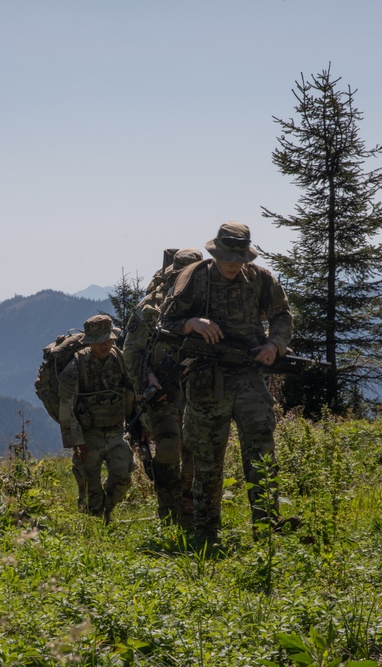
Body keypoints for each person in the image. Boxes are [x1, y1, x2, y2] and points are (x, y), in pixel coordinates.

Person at [159, 222, 296, 547]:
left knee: (261, 457)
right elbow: (165, 322)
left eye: (239, 257)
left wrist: (274, 346)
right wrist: (192, 323)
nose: (234, 264)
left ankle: (267, 535)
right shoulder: (194, 278)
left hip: (249, 378)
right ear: (216, 252)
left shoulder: (261, 279)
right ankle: (207, 538)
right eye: (228, 257)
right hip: (207, 381)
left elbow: (282, 316)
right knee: (207, 462)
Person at [123, 247, 202, 527]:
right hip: (162, 392)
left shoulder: (208, 304)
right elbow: (131, 351)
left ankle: (190, 517)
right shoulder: (152, 305)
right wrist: (146, 380)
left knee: (194, 453)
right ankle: (169, 515)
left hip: (199, 389)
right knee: (168, 448)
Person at [58, 314, 136, 524]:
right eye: (99, 341)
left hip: (115, 431)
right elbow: (66, 407)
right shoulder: (75, 367)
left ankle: (107, 512)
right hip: (88, 436)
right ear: (90, 342)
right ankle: (95, 522)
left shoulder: (119, 359)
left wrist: (140, 426)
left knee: (123, 477)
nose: (105, 345)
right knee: (91, 489)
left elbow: (131, 391)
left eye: (108, 340)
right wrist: (77, 442)